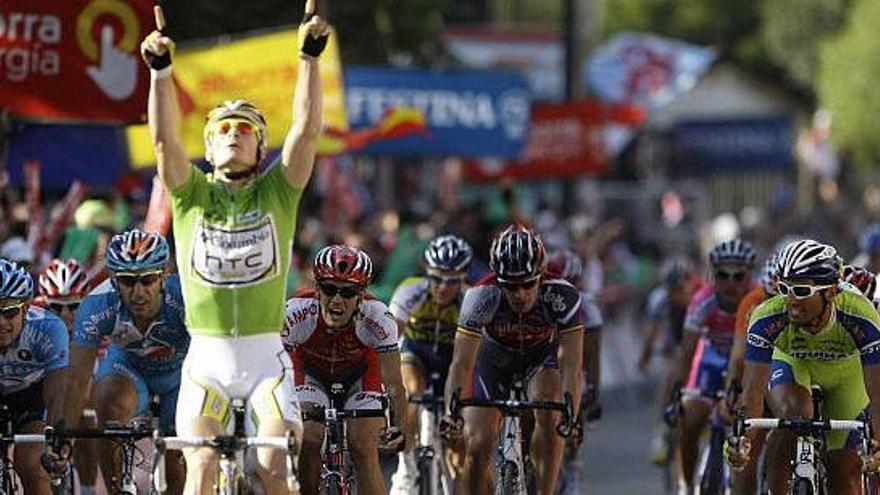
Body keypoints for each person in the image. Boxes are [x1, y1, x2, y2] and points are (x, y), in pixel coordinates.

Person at [140, 2, 329, 492]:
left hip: (266, 358)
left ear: (259, 147)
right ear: (207, 146)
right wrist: (161, 72)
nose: (233, 135)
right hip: (207, 360)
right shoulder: (190, 193)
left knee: (273, 465)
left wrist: (309, 58)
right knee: (200, 465)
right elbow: (162, 142)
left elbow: (307, 131)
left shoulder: (277, 191)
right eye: (222, 130)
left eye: (245, 130)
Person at [728, 240, 880, 494]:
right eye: (784, 288)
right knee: (794, 416)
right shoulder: (767, 316)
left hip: (846, 376)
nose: (790, 300)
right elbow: (752, 392)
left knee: (843, 466)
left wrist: (877, 445)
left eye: (800, 290)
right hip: (793, 364)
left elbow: (877, 393)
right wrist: (743, 440)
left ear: (830, 291)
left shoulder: (860, 315)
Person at [443, 225, 584, 495]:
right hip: (492, 361)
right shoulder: (480, 297)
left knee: (551, 411)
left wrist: (571, 415)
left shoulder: (563, 296)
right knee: (477, 443)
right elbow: (461, 363)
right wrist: (453, 413)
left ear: (541, 276)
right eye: (510, 286)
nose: (520, 294)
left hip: (539, 359)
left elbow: (571, 366)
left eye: (528, 284)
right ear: (498, 280)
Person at [59, 229, 187, 494]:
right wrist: (61, 439)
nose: (138, 292)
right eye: (128, 281)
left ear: (163, 276)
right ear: (115, 280)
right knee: (107, 400)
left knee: (175, 461)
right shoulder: (97, 304)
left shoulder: (185, 298)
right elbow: (76, 381)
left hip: (180, 376)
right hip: (128, 370)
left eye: (148, 279)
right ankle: (116, 488)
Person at [282, 245, 406, 494]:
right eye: (329, 289)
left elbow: (394, 385)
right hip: (310, 372)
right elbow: (276, 374)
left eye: (347, 292)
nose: (337, 299)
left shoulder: (378, 318)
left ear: (361, 296)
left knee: (363, 446)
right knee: (310, 437)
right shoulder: (295, 313)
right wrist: (290, 406)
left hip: (360, 373)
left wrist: (398, 427)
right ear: (317, 290)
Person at [388, 235, 473, 492]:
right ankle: (407, 466)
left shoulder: (469, 301)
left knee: (457, 432)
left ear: (463, 278)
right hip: (416, 353)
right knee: (411, 391)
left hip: (452, 360)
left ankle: (456, 482)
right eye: (436, 278)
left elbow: (472, 358)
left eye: (451, 281)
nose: (442, 287)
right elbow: (390, 341)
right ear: (427, 273)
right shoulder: (411, 291)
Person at [675, 239, 756, 493]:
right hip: (710, 362)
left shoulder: (758, 300)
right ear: (713, 275)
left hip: (745, 364)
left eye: (738, 275)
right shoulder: (702, 301)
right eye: (723, 275)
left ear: (749, 276)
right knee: (691, 418)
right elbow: (687, 351)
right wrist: (680, 391)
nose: (731, 283)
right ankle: (687, 483)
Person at [0, 259, 68, 495]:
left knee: (33, 466)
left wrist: (57, 442)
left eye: (9, 313)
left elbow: (57, 392)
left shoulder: (48, 329)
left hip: (32, 399)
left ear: (26, 309)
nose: (1, 322)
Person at [35, 259, 103, 495]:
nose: (65, 314)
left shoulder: (98, 321)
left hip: (80, 399)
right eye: (56, 307)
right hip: (43, 400)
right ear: (42, 304)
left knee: (87, 416)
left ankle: (88, 489)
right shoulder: (28, 322)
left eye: (74, 306)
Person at [638, 257, 701, 464]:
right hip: (673, 340)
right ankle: (663, 427)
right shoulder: (660, 299)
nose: (677, 295)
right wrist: (645, 357)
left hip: (700, 338)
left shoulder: (702, 295)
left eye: (680, 290)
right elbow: (652, 332)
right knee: (672, 373)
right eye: (672, 291)